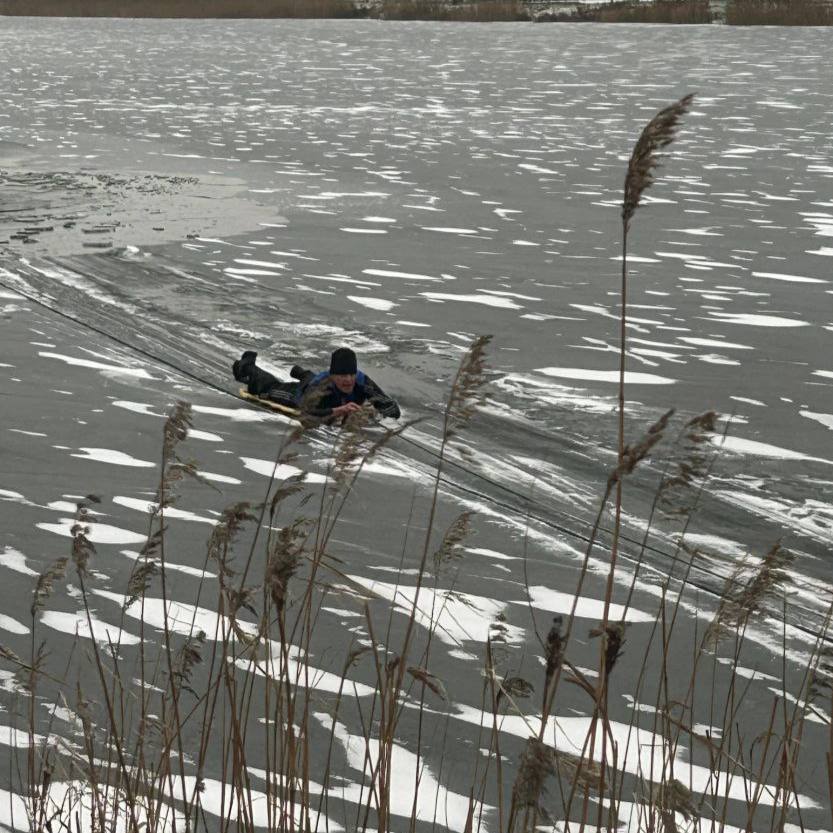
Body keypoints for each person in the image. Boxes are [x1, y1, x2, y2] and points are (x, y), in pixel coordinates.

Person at [232, 347, 401, 421]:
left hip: (316, 384)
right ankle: (246, 366)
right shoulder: (322, 384)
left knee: (309, 377)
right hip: (301, 394)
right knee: (266, 389)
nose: (348, 380)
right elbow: (306, 410)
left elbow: (392, 409)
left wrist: (370, 411)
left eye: (351, 374)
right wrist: (339, 411)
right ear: (333, 375)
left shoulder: (362, 381)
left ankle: (303, 373)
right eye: (342, 375)